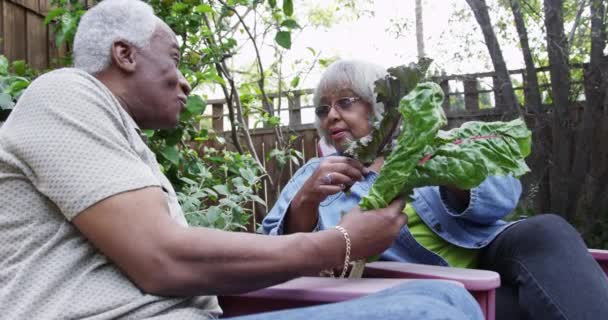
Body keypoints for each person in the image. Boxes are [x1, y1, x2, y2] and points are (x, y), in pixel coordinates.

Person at [0, 1, 485, 319]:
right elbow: (163, 259)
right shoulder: (64, 93)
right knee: (433, 311)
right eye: (175, 57)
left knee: (447, 297)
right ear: (124, 54)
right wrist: (337, 242)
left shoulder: (122, 139)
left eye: (348, 104)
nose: (186, 82)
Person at [262, 59, 608, 320]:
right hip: (426, 292)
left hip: (490, 257)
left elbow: (504, 198)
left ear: (378, 104)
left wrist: (448, 170)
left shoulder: (426, 145)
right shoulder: (313, 174)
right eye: (323, 109)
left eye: (345, 102)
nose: (331, 116)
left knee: (546, 231)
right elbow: (275, 258)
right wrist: (305, 200)